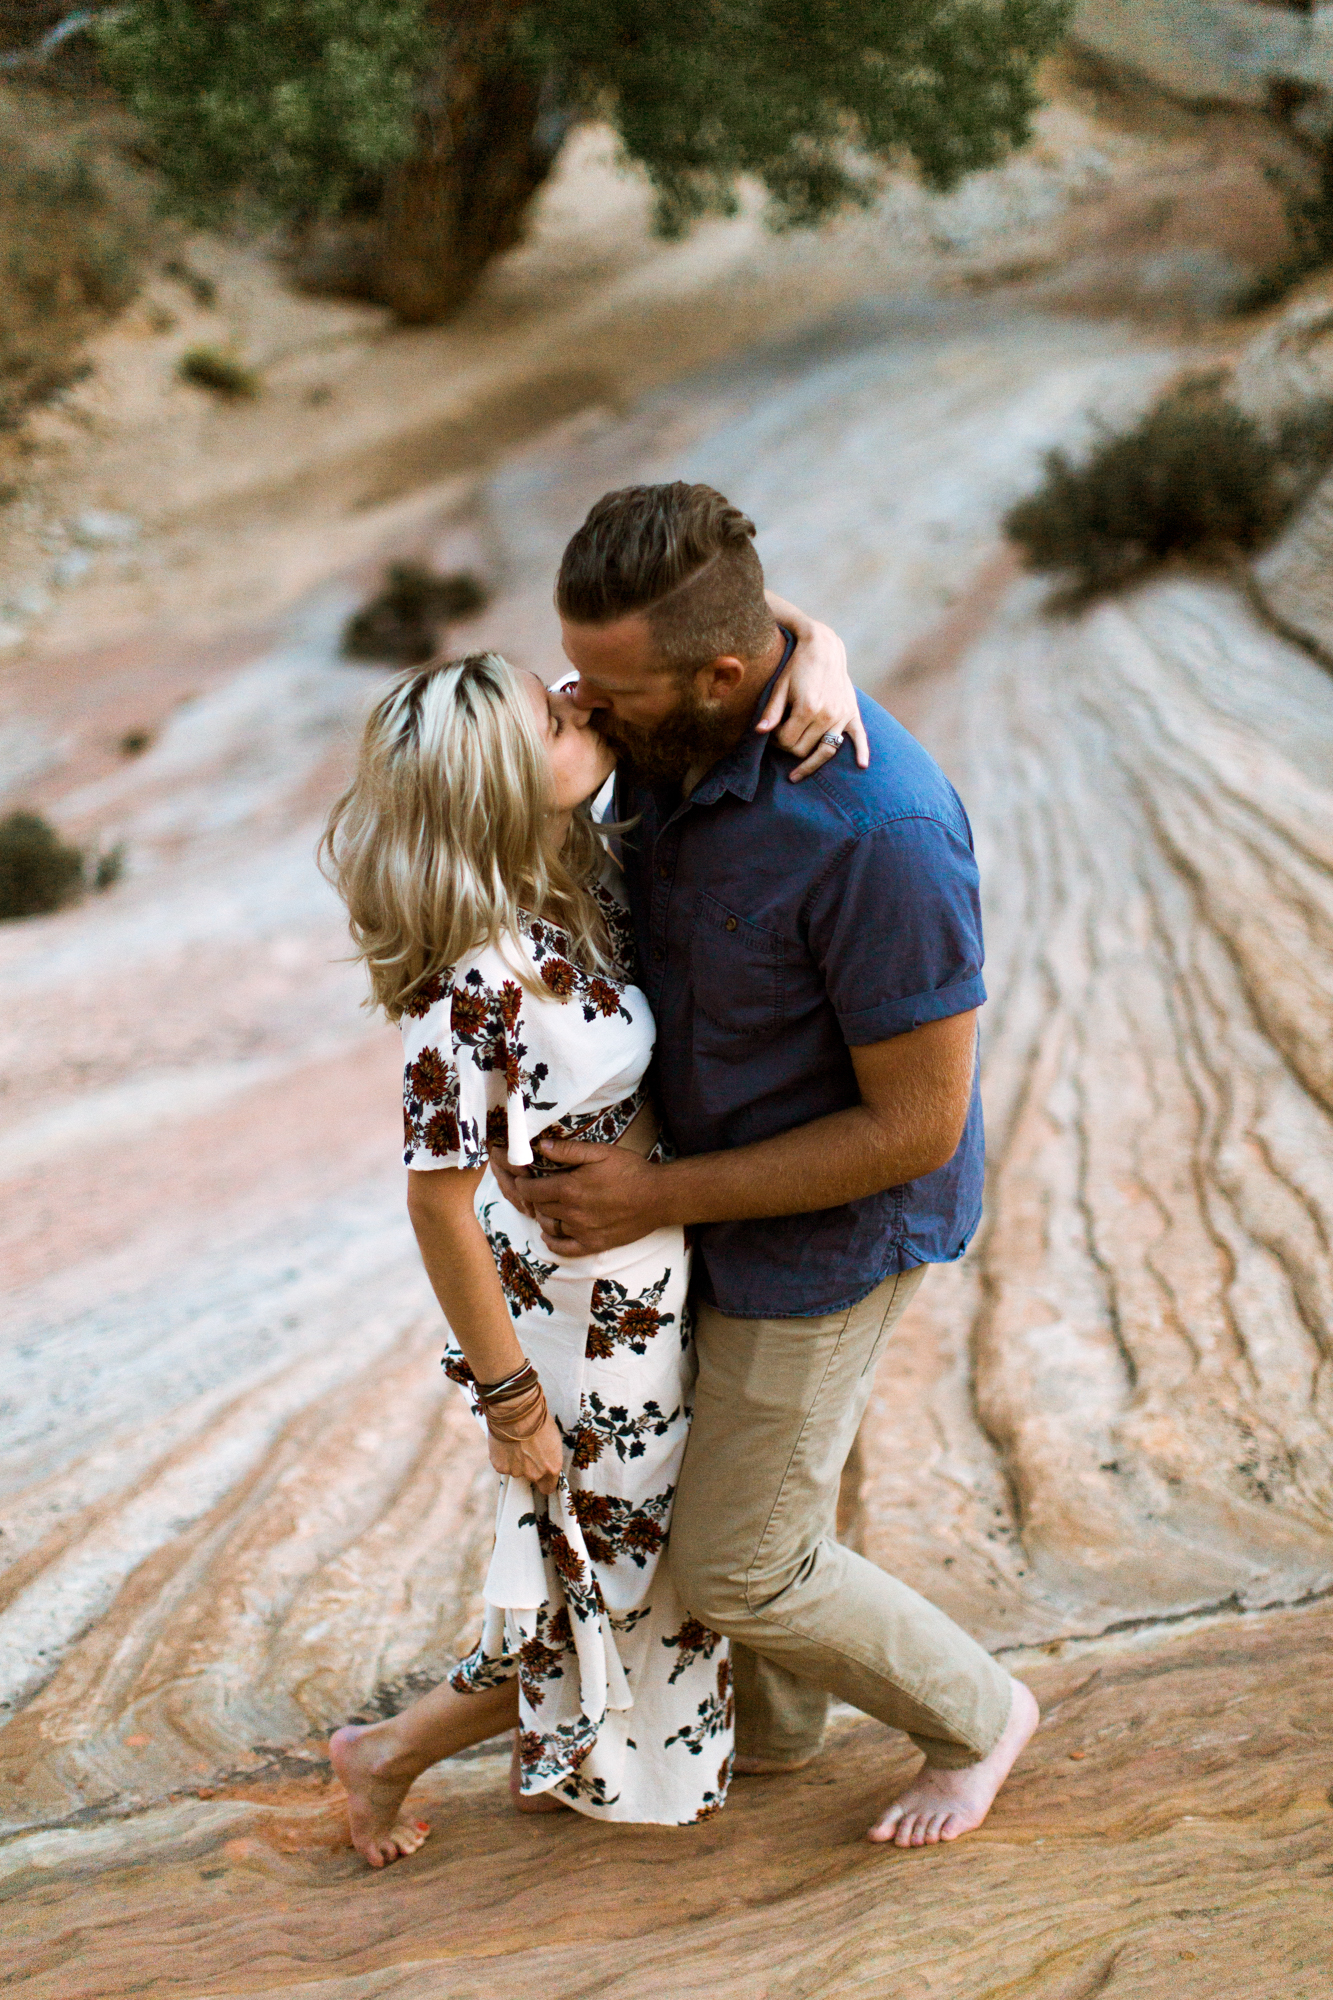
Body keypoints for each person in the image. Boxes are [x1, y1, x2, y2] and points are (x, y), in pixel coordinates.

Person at [492, 482, 1039, 1849]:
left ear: (720, 678)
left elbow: (912, 1127)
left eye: (609, 690)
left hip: (830, 1231)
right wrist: (814, 630)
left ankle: (981, 1719)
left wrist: (648, 1195)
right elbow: (723, 623)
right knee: (772, 1487)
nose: (583, 705)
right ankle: (786, 1735)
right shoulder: (675, 708)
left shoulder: (877, 833)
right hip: (708, 1206)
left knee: (736, 1557)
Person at [319, 614, 861, 1866]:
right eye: (559, 722)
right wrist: (511, 1399)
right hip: (571, 1322)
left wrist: (816, 645)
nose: (587, 714)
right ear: (510, 783)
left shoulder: (556, 881)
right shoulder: (470, 987)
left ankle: (447, 1745)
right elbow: (434, 1204)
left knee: (626, 1564)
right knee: (615, 1570)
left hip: (644, 1278)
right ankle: (388, 1752)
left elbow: (715, 630)